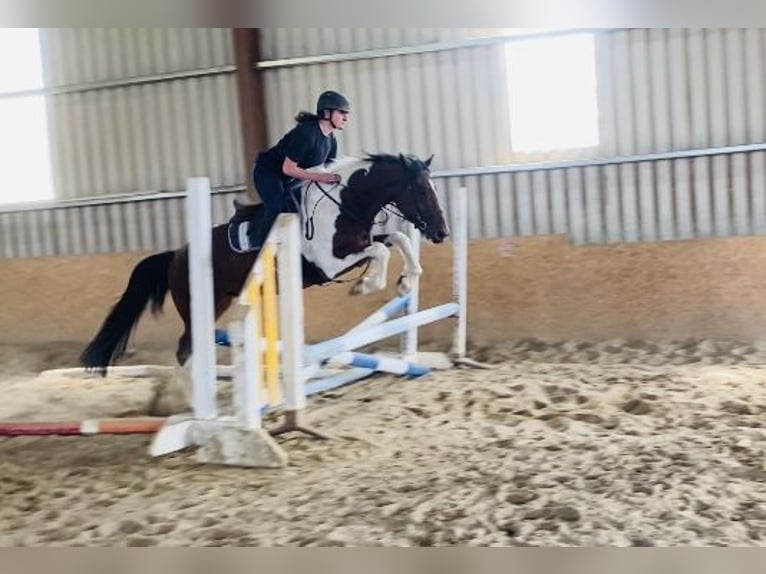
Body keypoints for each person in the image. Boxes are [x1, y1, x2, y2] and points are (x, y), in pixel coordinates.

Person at [250, 90, 351, 249]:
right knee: (279, 209)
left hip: (291, 178)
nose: (346, 118)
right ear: (326, 112)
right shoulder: (307, 133)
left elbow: (327, 173)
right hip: (268, 173)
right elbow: (288, 168)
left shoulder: (331, 141)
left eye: (347, 114)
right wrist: (320, 178)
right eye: (342, 113)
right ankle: (261, 249)